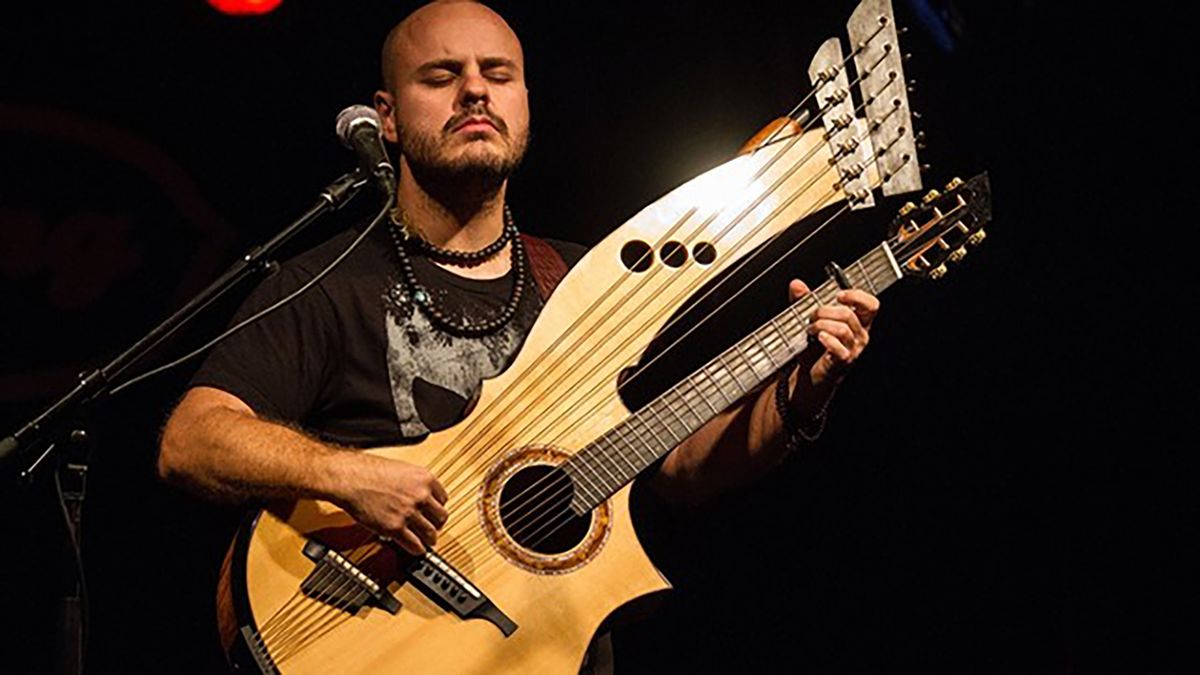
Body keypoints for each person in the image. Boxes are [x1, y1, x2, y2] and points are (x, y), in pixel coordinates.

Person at [157, 0, 880, 670]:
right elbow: (192, 440)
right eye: (442, 76)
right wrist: (348, 477)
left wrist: (799, 393)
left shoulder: (583, 284)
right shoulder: (327, 284)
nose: (475, 91)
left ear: (524, 103)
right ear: (388, 118)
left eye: (498, 74)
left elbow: (683, 469)